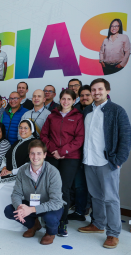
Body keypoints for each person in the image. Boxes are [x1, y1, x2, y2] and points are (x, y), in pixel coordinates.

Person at [78, 78, 131, 249]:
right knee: (95, 196)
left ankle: (113, 233)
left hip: (107, 163)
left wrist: (118, 160)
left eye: (99, 89)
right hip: (89, 161)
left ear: (107, 91)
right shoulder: (87, 111)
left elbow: (126, 138)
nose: (96, 92)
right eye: (93, 90)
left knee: (110, 198)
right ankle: (98, 224)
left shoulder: (117, 110)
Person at [40, 89, 84, 237]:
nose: (65, 102)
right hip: (52, 155)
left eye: (69, 99)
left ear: (73, 101)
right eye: (63, 99)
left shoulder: (78, 117)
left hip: (70, 157)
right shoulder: (52, 115)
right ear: (60, 100)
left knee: (64, 189)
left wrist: (63, 151)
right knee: (50, 187)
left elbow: (79, 139)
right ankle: (50, 218)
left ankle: (62, 221)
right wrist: (53, 150)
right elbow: (44, 135)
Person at [4, 140, 65, 245]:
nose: (35, 156)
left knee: (50, 218)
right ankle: (33, 225)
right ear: (29, 155)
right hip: (32, 203)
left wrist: (30, 210)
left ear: (45, 155)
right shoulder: (22, 170)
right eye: (32, 153)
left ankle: (50, 233)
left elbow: (56, 202)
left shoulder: (53, 172)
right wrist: (20, 207)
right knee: (9, 210)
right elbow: (16, 193)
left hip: (50, 206)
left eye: (39, 153)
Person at [0, 119, 36, 230]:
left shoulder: (34, 144)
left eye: (26, 128)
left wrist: (12, 172)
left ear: (31, 130)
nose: (22, 130)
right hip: (10, 173)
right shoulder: (17, 142)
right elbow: (6, 157)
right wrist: (4, 168)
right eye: (20, 127)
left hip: (23, 177)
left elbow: (30, 164)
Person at [68, 84, 94, 221]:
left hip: (94, 155)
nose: (84, 97)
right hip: (77, 154)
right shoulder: (75, 111)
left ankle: (96, 218)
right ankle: (79, 212)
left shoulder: (96, 111)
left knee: (95, 188)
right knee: (78, 185)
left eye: (87, 95)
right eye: (82, 95)